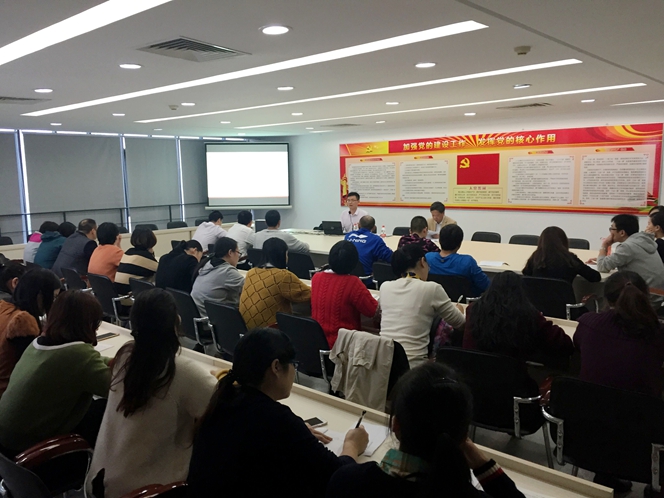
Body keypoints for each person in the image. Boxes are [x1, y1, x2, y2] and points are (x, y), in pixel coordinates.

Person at [187, 328, 369, 497]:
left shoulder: (224, 400)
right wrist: (352, 444)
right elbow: (337, 474)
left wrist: (298, 433)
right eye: (293, 364)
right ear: (276, 367)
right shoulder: (277, 420)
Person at [86, 289, 218, 498]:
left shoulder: (125, 356)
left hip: (101, 481)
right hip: (147, 491)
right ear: (175, 323)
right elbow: (223, 407)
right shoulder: (183, 371)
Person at [327, 363, 526, 498]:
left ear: (396, 426)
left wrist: (350, 447)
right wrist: (482, 463)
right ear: (464, 436)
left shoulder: (348, 482)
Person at [0, 290, 110, 453]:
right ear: (89, 323)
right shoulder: (79, 356)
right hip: (28, 447)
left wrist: (115, 361)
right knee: (107, 409)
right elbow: (116, 387)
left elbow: (88, 362)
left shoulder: (37, 343)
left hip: (6, 440)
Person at [574, 271, 664, 397]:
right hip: (640, 407)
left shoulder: (587, 323)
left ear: (607, 298)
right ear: (646, 297)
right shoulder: (657, 333)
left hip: (589, 404)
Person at [380, 244, 465, 367]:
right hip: (413, 367)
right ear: (422, 261)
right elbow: (461, 324)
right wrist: (459, 310)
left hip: (383, 364)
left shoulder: (385, 287)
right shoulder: (431, 288)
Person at [463, 271, 573, 365]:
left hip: (475, 374)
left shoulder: (473, 310)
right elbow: (564, 344)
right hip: (513, 377)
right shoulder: (528, 315)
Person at [0, 268, 62, 397]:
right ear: (40, 296)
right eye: (54, 297)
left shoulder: (4, 306)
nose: (54, 303)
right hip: (8, 390)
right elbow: (32, 367)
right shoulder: (23, 321)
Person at [311, 241, 379, 348]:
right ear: (354, 263)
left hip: (318, 343)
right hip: (344, 347)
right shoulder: (352, 282)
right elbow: (373, 311)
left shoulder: (316, 278)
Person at [589, 214, 664, 307]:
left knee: (606, 296)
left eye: (612, 228)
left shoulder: (628, 246)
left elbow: (602, 266)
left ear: (622, 233)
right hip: (657, 294)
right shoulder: (643, 241)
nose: (610, 232)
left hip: (645, 297)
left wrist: (604, 245)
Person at [240, 238, 311, 329]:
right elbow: (307, 295)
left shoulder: (251, 272)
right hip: (270, 329)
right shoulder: (283, 276)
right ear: (282, 255)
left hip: (247, 328)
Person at [426, 225, 489, 297]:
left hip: (434, 301)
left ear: (440, 240)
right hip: (461, 302)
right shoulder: (467, 262)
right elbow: (486, 285)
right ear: (460, 243)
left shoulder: (428, 258)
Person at [522, 226, 600, 284]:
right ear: (564, 241)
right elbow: (595, 277)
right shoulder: (570, 259)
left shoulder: (536, 257)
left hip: (537, 301)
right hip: (564, 301)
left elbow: (525, 274)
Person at [191, 237, 245, 316]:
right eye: (238, 253)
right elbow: (249, 289)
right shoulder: (227, 271)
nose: (238, 257)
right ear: (230, 252)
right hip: (213, 319)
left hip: (199, 315)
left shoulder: (207, 264)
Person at [114, 227, 159, 295]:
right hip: (129, 296)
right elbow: (160, 270)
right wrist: (151, 253)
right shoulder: (145, 257)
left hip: (119, 294)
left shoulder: (129, 252)